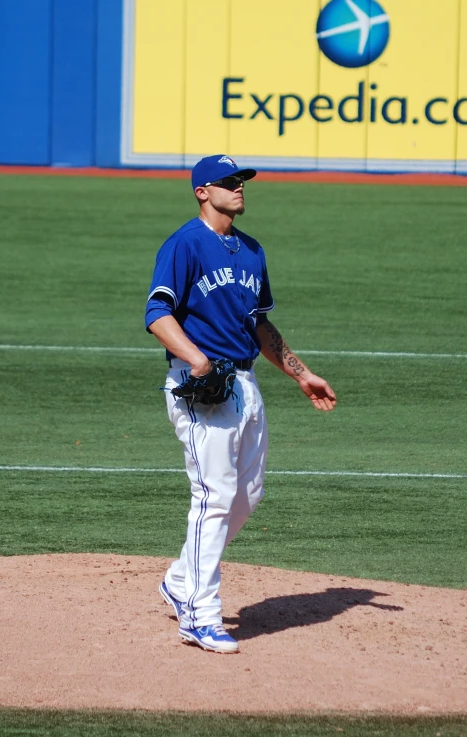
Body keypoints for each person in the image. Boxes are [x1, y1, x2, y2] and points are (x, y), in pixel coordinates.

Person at [145, 154, 336, 654]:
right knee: (214, 494)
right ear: (202, 191)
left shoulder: (251, 251)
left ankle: (181, 578)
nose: (240, 188)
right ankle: (199, 614)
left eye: (242, 181)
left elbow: (259, 325)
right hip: (201, 385)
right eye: (229, 182)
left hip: (245, 386)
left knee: (247, 496)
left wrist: (301, 373)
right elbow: (157, 314)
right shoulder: (185, 243)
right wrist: (198, 361)